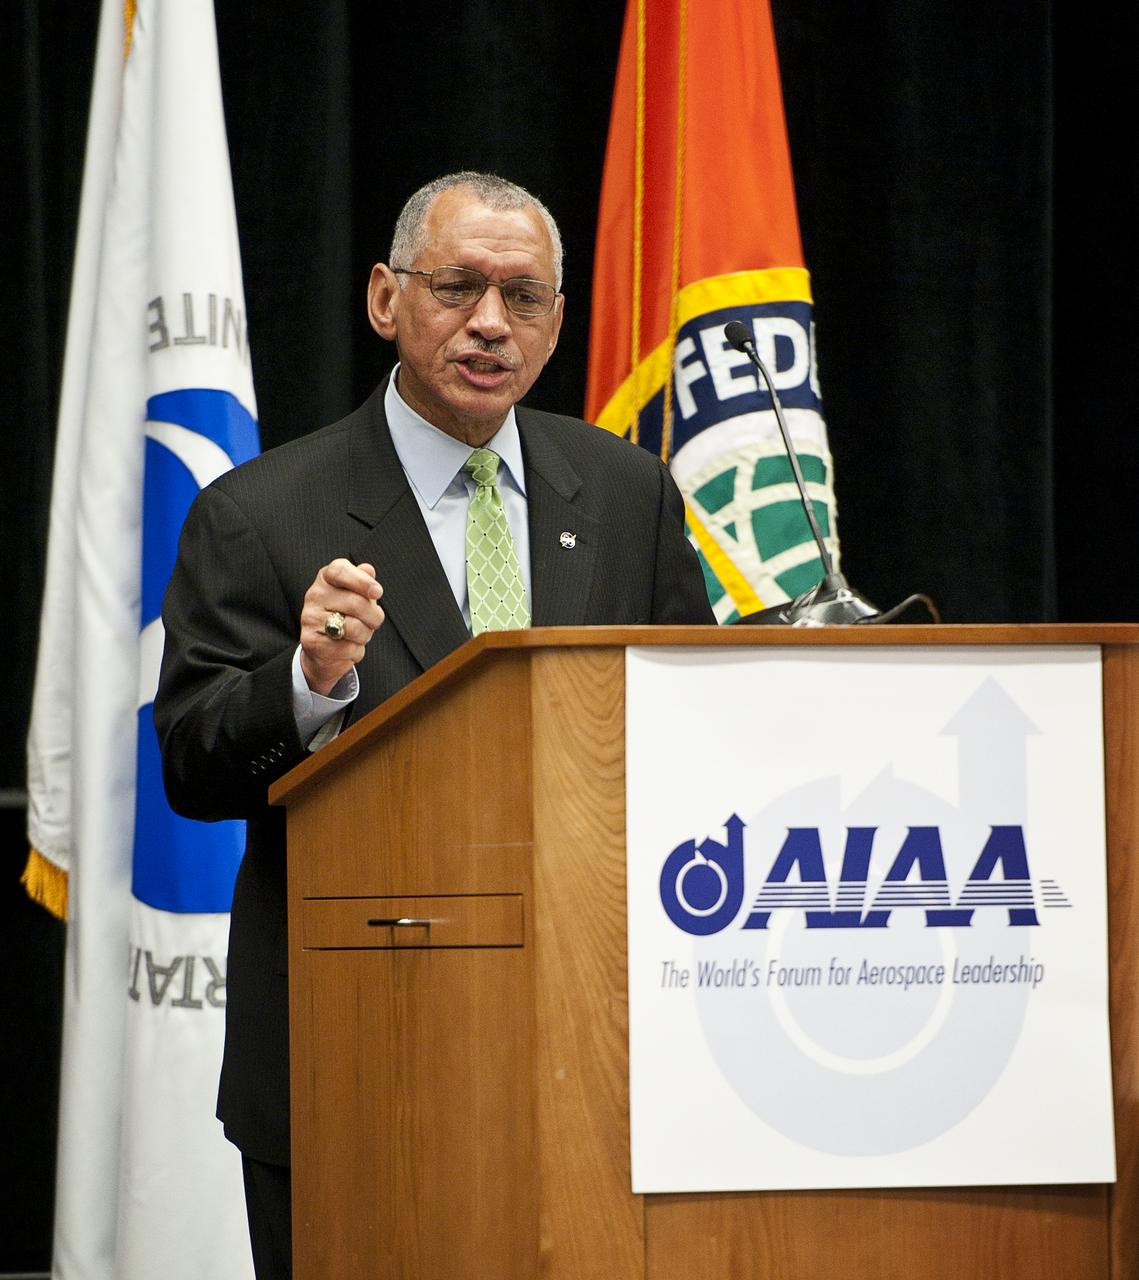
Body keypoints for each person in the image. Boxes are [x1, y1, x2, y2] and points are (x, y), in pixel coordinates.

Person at [154, 170, 715, 1276]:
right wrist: (307, 680)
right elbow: (190, 761)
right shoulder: (261, 513)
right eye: (457, 286)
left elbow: (686, 720)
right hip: (354, 1052)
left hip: (591, 1043)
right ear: (383, 298)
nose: (490, 323)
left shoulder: (624, 492)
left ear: (559, 319)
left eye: (525, 296)